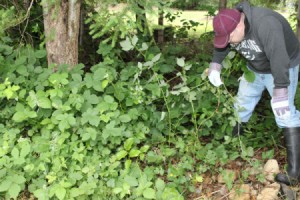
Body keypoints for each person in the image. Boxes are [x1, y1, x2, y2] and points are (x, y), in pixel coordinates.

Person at [207, 1, 300, 186]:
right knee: (241, 104)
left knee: (285, 113)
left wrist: (281, 90)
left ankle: (294, 173)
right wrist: (215, 65)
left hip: (281, 67)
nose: (229, 43)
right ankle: (234, 148)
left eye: (230, 38)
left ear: (240, 25)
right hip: (255, 68)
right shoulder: (231, 25)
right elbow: (221, 45)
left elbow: (279, 58)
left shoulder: (266, 25)